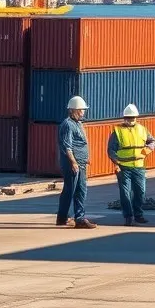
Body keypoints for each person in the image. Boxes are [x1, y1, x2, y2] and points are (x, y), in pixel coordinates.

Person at [108, 104, 155, 227]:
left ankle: (138, 215)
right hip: (124, 167)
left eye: (132, 118)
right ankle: (128, 216)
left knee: (140, 192)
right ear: (124, 118)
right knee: (125, 193)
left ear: (136, 118)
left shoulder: (142, 129)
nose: (130, 120)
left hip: (139, 167)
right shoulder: (117, 131)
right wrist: (116, 162)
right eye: (128, 118)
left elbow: (153, 141)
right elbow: (111, 150)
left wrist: (148, 149)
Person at [57, 96, 96, 229]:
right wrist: (73, 162)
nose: (83, 112)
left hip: (81, 162)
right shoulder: (67, 124)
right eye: (81, 110)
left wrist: (86, 157)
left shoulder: (79, 124)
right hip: (72, 164)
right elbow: (67, 146)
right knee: (71, 190)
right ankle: (66, 217)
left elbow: (81, 143)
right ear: (73, 110)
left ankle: (75, 217)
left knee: (81, 190)